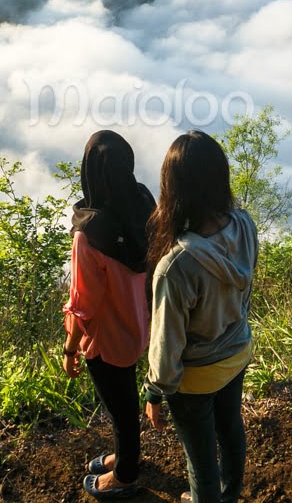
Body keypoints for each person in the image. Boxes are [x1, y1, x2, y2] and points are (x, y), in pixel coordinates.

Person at [143, 130, 259, 503]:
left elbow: (167, 343)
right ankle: (231, 495)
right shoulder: (244, 224)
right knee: (231, 430)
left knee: (201, 463)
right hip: (237, 352)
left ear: (172, 188)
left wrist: (155, 393)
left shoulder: (176, 266)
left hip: (196, 378)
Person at [63, 130, 155, 501]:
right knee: (125, 402)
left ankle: (126, 474)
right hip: (144, 323)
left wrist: (70, 347)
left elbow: (83, 302)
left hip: (108, 337)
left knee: (119, 408)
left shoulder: (89, 234)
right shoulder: (145, 202)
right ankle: (126, 454)